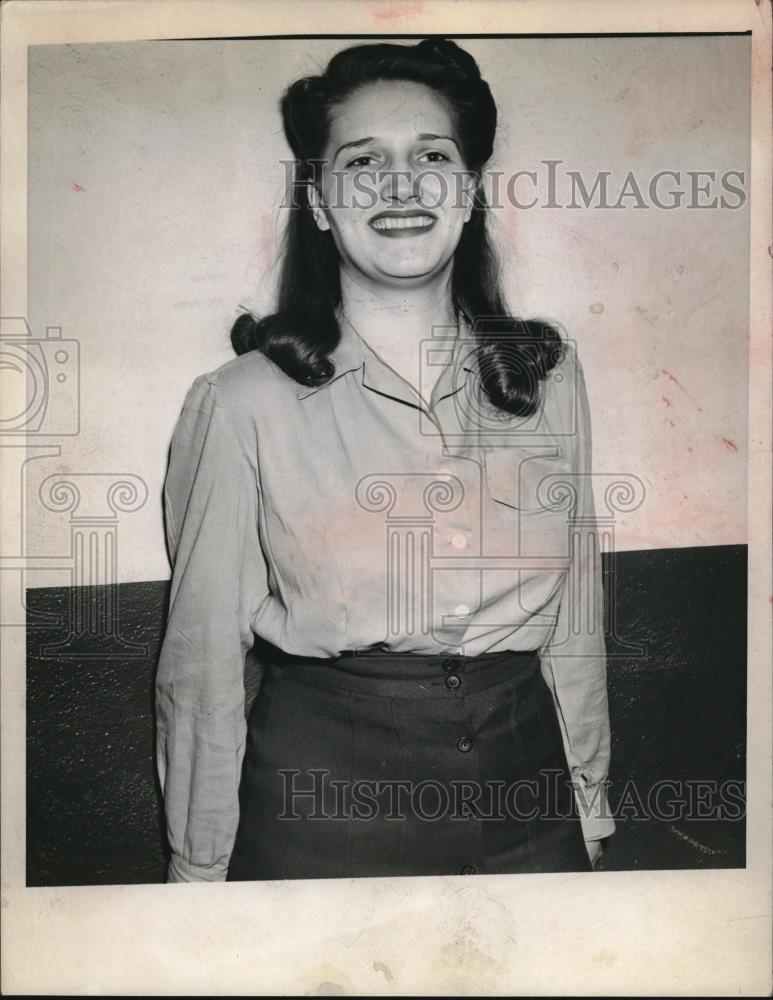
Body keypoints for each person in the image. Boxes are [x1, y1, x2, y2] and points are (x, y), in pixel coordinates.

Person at [155, 37, 615, 884]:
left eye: (431, 156)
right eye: (363, 162)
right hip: (324, 809)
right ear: (321, 203)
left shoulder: (546, 379)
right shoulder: (239, 402)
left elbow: (576, 610)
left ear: (469, 191)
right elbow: (201, 663)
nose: (400, 186)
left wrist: (586, 799)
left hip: (528, 798)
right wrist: (199, 862)